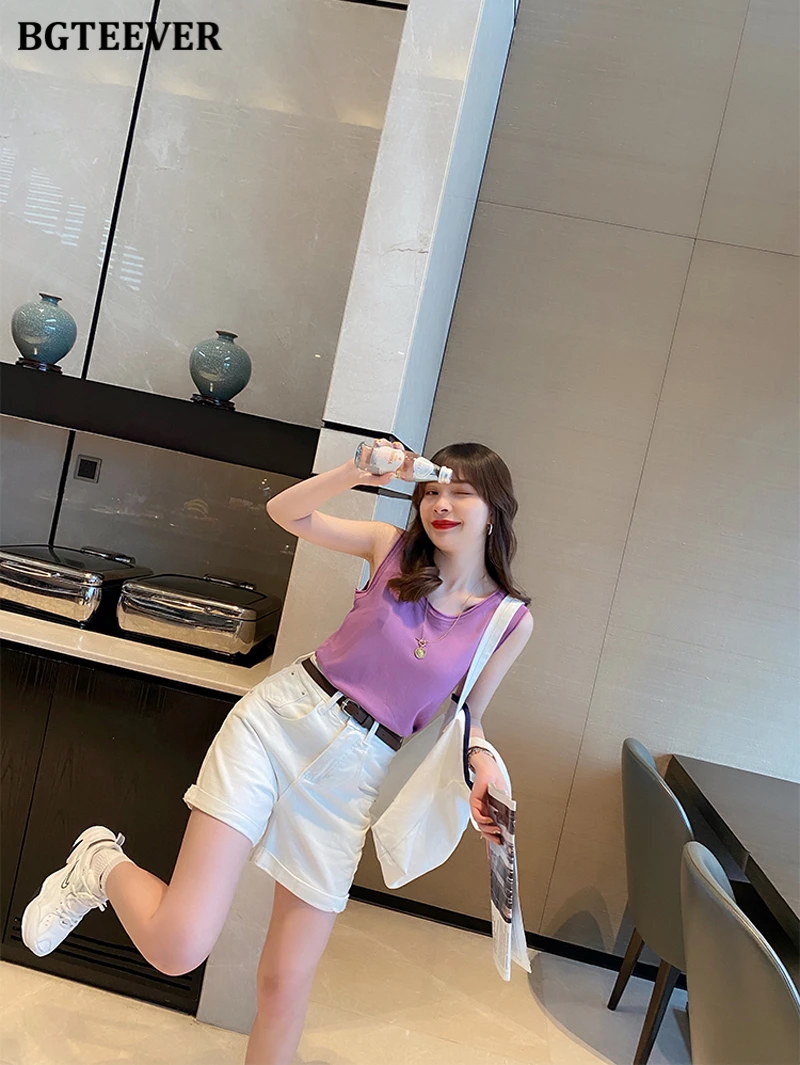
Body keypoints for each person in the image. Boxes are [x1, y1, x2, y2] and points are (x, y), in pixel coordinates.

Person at [21, 440, 534, 1065]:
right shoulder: (389, 548)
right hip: (281, 723)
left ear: (495, 508)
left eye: (461, 493)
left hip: (356, 778)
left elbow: (469, 714)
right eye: (432, 492)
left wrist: (482, 763)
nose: (441, 505)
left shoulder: (508, 620)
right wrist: (358, 470)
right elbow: (286, 512)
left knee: (284, 985)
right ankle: (98, 862)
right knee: (178, 947)